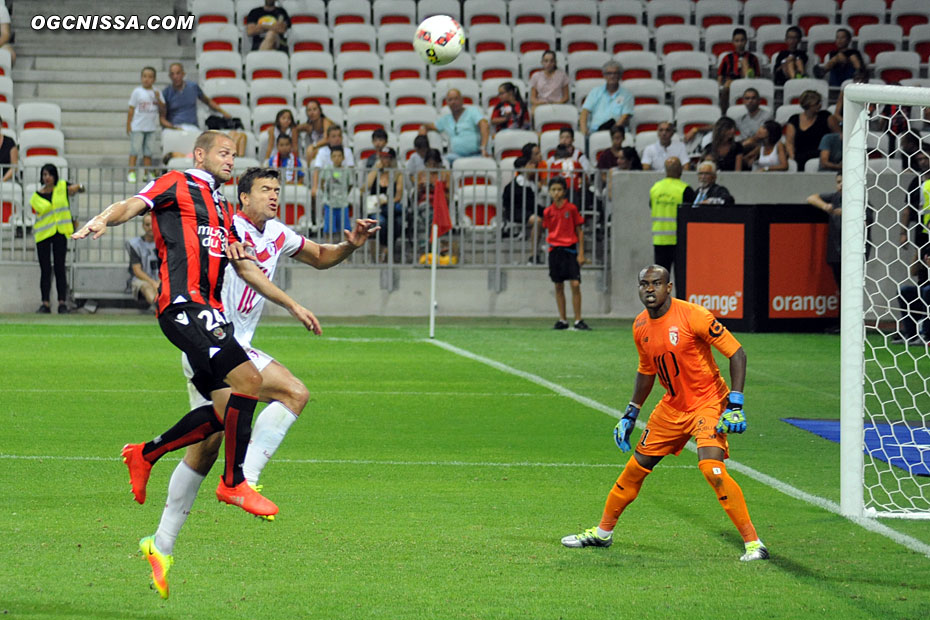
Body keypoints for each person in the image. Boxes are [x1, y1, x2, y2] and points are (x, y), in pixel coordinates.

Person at [142, 167, 378, 599]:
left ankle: (161, 544)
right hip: (211, 340)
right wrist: (292, 305)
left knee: (209, 445)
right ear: (242, 196)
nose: (274, 196)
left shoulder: (279, 233)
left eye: (277, 189)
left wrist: (349, 245)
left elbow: (321, 256)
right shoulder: (224, 226)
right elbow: (242, 268)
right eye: (265, 190)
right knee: (289, 394)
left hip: (239, 346)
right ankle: (236, 479)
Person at [71, 131, 321, 526]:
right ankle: (234, 482)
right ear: (199, 154)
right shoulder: (178, 182)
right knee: (249, 382)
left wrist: (290, 304)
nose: (230, 160)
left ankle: (146, 453)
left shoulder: (221, 208)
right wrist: (104, 218)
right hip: (184, 307)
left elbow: (244, 268)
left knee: (223, 414)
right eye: (223, 153)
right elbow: (134, 204)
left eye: (234, 155)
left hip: (211, 313)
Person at [561, 264, 768, 563]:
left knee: (711, 467)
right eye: (644, 284)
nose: (649, 289)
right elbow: (646, 370)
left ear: (668, 287)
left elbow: (737, 352)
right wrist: (631, 413)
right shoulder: (640, 326)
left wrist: (735, 404)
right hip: (672, 407)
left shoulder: (693, 315)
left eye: (656, 283)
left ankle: (754, 544)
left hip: (708, 402)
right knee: (635, 469)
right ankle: (603, 534)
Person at [30, 164, 84, 314]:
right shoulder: (35, 196)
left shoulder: (62, 186)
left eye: (49, 174)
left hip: (60, 232)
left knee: (60, 268)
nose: (47, 177)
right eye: (44, 174)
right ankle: (45, 303)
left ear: (55, 176)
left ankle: (62, 302)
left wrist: (78, 187)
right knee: (45, 269)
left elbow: (78, 188)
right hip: (43, 235)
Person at [543, 177, 589, 331]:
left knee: (575, 284)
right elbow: (549, 230)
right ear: (549, 192)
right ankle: (562, 319)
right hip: (555, 251)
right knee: (558, 285)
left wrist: (580, 253)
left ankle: (578, 319)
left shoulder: (571, 209)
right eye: (553, 190)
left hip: (570, 250)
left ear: (564, 191)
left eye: (559, 189)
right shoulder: (548, 212)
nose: (556, 193)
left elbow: (579, 231)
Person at [648, 157, 694, 278]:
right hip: (679, 241)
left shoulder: (655, 189)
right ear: (681, 171)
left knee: (661, 280)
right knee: (681, 278)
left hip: (659, 240)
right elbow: (693, 214)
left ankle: (661, 298)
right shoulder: (685, 189)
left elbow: (651, 206)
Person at [419, 88, 489, 161]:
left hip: (477, 154)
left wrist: (483, 148)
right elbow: (427, 126)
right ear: (447, 103)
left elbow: (484, 125)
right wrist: (422, 133)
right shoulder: (445, 119)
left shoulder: (472, 111)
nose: (453, 102)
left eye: (456, 99)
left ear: (462, 101)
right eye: (450, 100)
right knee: (441, 162)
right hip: (455, 156)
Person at [806, 173, 844, 291]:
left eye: (844, 182)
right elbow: (811, 198)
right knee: (841, 289)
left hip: (853, 254)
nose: (841, 185)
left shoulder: (861, 200)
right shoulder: (834, 197)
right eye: (838, 182)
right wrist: (825, 206)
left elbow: (867, 220)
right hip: (836, 253)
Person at [366, 147, 405, 261]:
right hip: (375, 209)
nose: (384, 160)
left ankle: (386, 248)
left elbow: (398, 196)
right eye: (382, 157)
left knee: (397, 221)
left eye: (387, 158)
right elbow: (366, 186)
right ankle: (385, 248)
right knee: (382, 222)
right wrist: (375, 170)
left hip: (390, 207)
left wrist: (387, 201)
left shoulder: (398, 174)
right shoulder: (376, 172)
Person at [785, 90, 839, 169]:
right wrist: (792, 156)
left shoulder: (826, 116)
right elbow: (789, 142)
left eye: (820, 103)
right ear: (808, 105)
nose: (820, 105)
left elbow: (837, 136)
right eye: (817, 103)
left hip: (820, 156)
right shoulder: (794, 119)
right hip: (800, 156)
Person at [501, 155, 542, 261]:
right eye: (531, 164)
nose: (534, 166)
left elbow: (532, 204)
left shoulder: (532, 184)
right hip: (515, 212)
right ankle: (534, 255)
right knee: (537, 220)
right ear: (522, 168)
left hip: (529, 211)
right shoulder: (514, 186)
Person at [127, 66, 163, 183]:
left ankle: (147, 173)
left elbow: (163, 108)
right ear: (141, 78)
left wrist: (158, 99)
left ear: (154, 79)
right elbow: (131, 109)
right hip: (138, 126)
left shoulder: (157, 92)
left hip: (151, 127)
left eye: (150, 77)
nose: (147, 79)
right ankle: (131, 172)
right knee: (135, 150)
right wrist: (128, 124)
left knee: (148, 152)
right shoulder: (137, 92)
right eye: (144, 76)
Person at [579, 60, 634, 135]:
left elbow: (625, 116)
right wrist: (584, 131)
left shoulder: (627, 95)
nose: (612, 76)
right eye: (609, 73)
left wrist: (611, 133)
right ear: (604, 76)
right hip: (595, 132)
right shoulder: (595, 92)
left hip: (617, 133)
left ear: (620, 75)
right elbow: (585, 112)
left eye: (615, 73)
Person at [717, 28, 761, 108]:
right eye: (737, 41)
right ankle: (724, 112)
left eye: (742, 40)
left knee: (744, 61)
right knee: (727, 84)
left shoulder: (753, 58)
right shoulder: (727, 58)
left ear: (746, 41)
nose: (740, 43)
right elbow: (720, 75)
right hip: (731, 82)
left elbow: (757, 75)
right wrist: (720, 85)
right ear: (733, 42)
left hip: (748, 83)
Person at [893, 251, 930, 345]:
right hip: (923, 292)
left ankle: (927, 336)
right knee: (904, 291)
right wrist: (921, 260)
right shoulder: (925, 249)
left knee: (928, 291)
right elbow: (913, 271)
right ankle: (911, 334)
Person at [311, 125, 355, 200]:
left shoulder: (348, 151)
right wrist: (315, 187)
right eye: (334, 136)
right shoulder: (322, 151)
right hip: (327, 184)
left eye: (339, 136)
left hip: (343, 184)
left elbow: (351, 171)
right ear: (328, 138)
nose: (337, 139)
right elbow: (317, 170)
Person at [126, 211, 159, 310]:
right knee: (146, 287)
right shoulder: (135, 244)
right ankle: (157, 306)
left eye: (152, 224)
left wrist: (160, 282)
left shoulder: (165, 243)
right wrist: (153, 283)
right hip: (142, 279)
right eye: (147, 225)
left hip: (161, 278)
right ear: (143, 226)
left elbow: (168, 266)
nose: (150, 227)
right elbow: (137, 270)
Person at [319, 145, 351, 235]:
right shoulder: (327, 169)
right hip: (330, 204)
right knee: (329, 230)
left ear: (343, 157)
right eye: (334, 156)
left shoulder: (347, 170)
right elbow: (322, 182)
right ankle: (329, 248)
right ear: (331, 158)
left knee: (346, 231)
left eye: (339, 156)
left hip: (343, 204)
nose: (337, 158)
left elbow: (350, 185)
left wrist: (343, 194)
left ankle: (345, 249)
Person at [528, 50, 570, 115]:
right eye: (546, 61)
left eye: (551, 61)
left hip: (558, 104)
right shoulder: (535, 76)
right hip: (541, 104)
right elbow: (533, 98)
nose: (548, 64)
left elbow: (566, 97)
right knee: (533, 112)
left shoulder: (562, 75)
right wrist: (541, 103)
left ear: (555, 62)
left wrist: (556, 103)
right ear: (542, 62)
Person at [296, 99, 334, 163]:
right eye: (309, 110)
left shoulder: (326, 122)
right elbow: (294, 128)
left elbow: (326, 139)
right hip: (316, 150)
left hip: (330, 149)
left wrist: (313, 146)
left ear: (320, 111)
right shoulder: (308, 126)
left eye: (314, 109)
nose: (312, 112)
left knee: (311, 151)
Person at [0, 113, 17, 182]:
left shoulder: (10, 142)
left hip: (7, 179)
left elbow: (14, 167)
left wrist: (2, 180)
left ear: (1, 125)